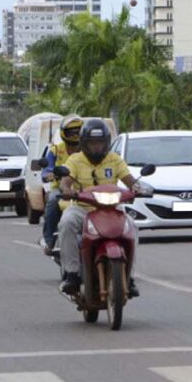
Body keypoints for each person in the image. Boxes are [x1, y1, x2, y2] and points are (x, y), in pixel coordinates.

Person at [57, 119, 149, 297]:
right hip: (83, 208)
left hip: (111, 209)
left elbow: (129, 180)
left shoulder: (114, 159)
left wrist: (139, 188)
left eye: (100, 143)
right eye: (92, 143)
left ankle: (129, 277)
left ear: (106, 143)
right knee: (66, 222)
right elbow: (65, 182)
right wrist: (67, 191)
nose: (97, 147)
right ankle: (72, 274)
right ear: (84, 143)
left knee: (132, 226)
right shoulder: (75, 160)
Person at [40, 115, 84, 255]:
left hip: (84, 188)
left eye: (78, 131)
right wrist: (48, 175)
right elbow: (46, 169)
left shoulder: (88, 150)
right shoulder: (55, 150)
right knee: (53, 201)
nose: (75, 135)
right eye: (72, 132)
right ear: (64, 133)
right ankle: (49, 240)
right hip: (60, 189)